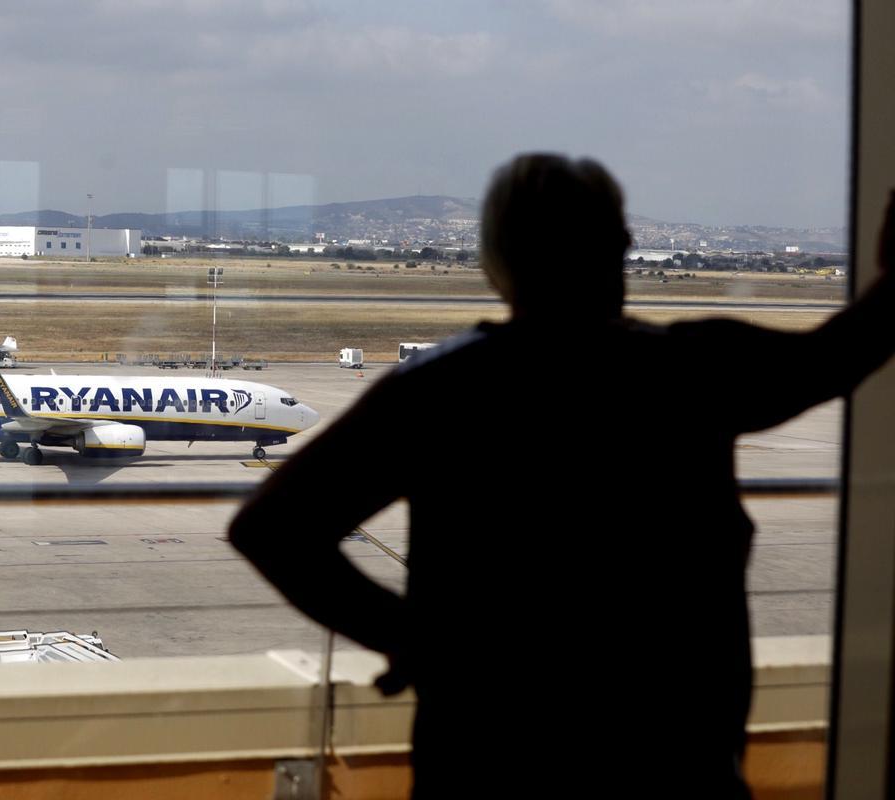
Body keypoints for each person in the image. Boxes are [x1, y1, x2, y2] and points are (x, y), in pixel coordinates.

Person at [229, 154, 895, 797]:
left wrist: (415, 640)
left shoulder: (441, 392)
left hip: (490, 757)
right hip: (674, 759)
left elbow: (271, 528)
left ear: (494, 261)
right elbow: (841, 354)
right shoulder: (695, 371)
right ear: (622, 246)